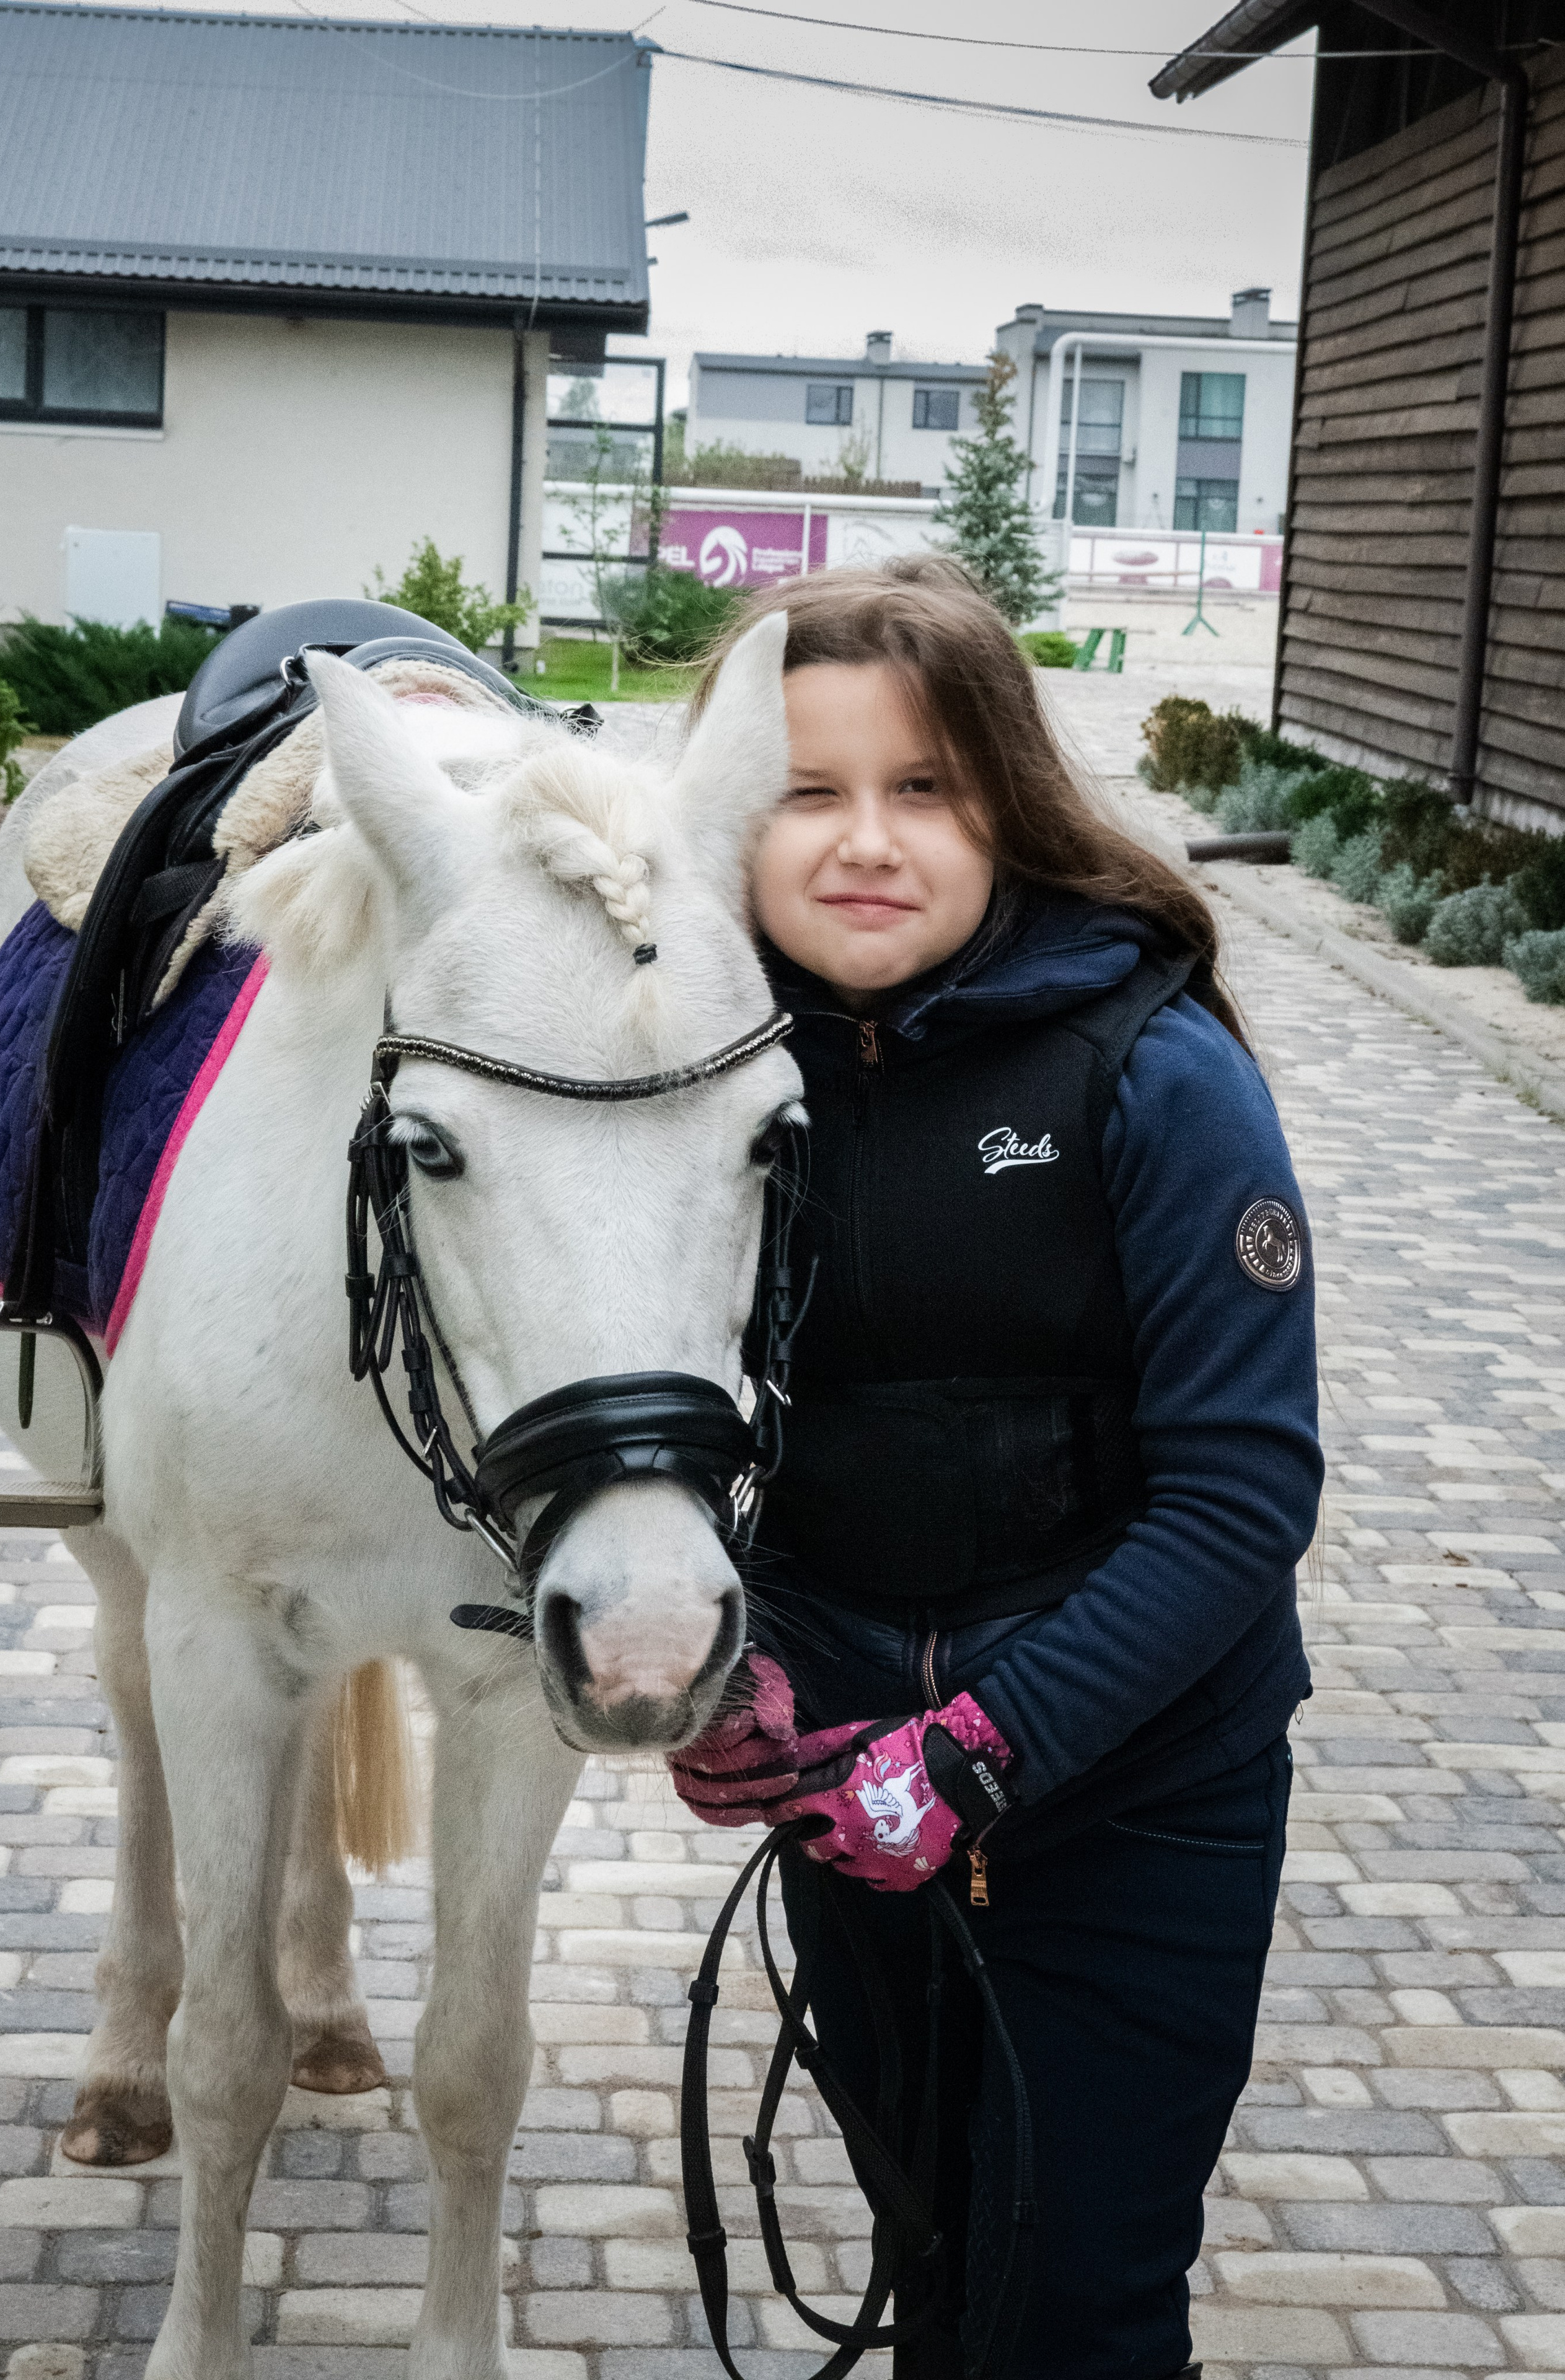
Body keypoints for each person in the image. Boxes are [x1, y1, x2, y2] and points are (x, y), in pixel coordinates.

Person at [669, 558, 1322, 2380]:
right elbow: (689, 1434)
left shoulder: (1154, 1068)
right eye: (809, 789)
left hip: (1129, 1806)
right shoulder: (708, 1076)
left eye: (924, 788)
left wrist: (979, 1748)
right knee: (937, 2270)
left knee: (1076, 2308)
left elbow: (1244, 1500)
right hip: (853, 1806)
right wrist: (743, 1665)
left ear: (1010, 803)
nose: (864, 841)